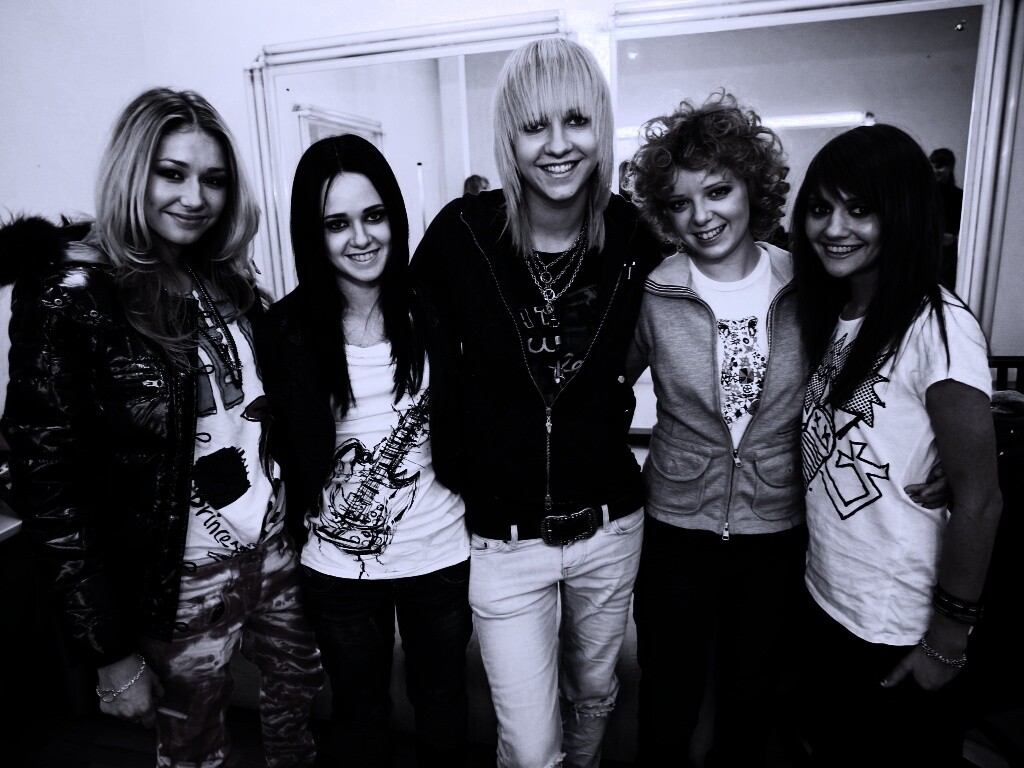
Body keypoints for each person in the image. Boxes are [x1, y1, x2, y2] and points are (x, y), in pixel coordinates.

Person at [0, 88, 323, 768]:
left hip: (271, 548)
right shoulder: (72, 296)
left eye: (213, 179)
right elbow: (50, 488)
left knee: (298, 700)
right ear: (132, 171)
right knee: (194, 747)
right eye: (172, 173)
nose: (195, 198)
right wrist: (109, 654)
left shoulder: (222, 277)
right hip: (178, 581)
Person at [411, 38, 661, 768]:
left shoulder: (635, 238)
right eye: (534, 126)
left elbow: (698, 320)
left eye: (575, 121)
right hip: (502, 541)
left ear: (599, 125)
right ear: (509, 138)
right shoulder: (462, 236)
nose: (557, 146)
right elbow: (392, 340)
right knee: (527, 745)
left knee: (594, 696)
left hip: (610, 529)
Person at [256, 134, 472, 768]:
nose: (361, 238)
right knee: (358, 714)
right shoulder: (284, 330)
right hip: (337, 568)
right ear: (312, 233)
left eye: (374, 215)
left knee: (442, 703)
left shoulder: (436, 308)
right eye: (337, 223)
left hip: (440, 554)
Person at [793, 124, 1002, 767]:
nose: (834, 228)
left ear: (903, 214)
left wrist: (948, 639)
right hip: (828, 599)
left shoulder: (938, 327)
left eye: (860, 209)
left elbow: (981, 500)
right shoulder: (835, 314)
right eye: (821, 207)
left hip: (899, 625)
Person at [625, 90, 807, 768]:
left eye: (718, 191)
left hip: (775, 527)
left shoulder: (805, 284)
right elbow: (600, 391)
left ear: (753, 187)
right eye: (680, 202)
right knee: (667, 699)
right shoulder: (654, 291)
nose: (701, 216)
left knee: (750, 699)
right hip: (676, 526)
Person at [929, 147, 963, 290]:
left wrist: (952, 237)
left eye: (939, 166)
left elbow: (962, 226)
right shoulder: (924, 194)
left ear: (950, 167)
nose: (935, 171)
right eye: (932, 167)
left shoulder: (960, 196)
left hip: (946, 254)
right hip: (925, 250)